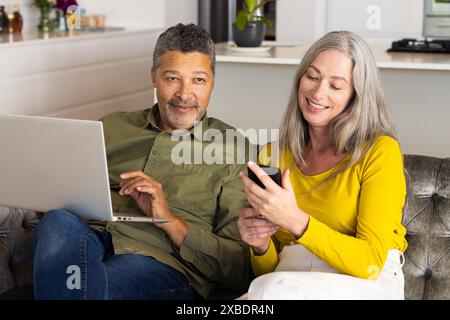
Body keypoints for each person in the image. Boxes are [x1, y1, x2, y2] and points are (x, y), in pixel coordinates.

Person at [31, 23, 252, 300]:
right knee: (56, 221)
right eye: (172, 78)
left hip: (158, 260)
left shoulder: (233, 148)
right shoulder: (110, 126)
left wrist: (167, 218)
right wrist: (46, 199)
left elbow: (240, 266)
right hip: (85, 237)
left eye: (198, 80)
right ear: (154, 77)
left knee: (88, 287)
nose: (185, 94)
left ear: (212, 82)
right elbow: (61, 201)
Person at [237, 31, 408, 300]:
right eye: (313, 77)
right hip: (286, 283)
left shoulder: (379, 152)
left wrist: (296, 221)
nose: (318, 92)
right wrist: (259, 244)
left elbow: (370, 263)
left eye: (336, 86)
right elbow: (268, 271)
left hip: (364, 283)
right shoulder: (275, 154)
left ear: (356, 96)